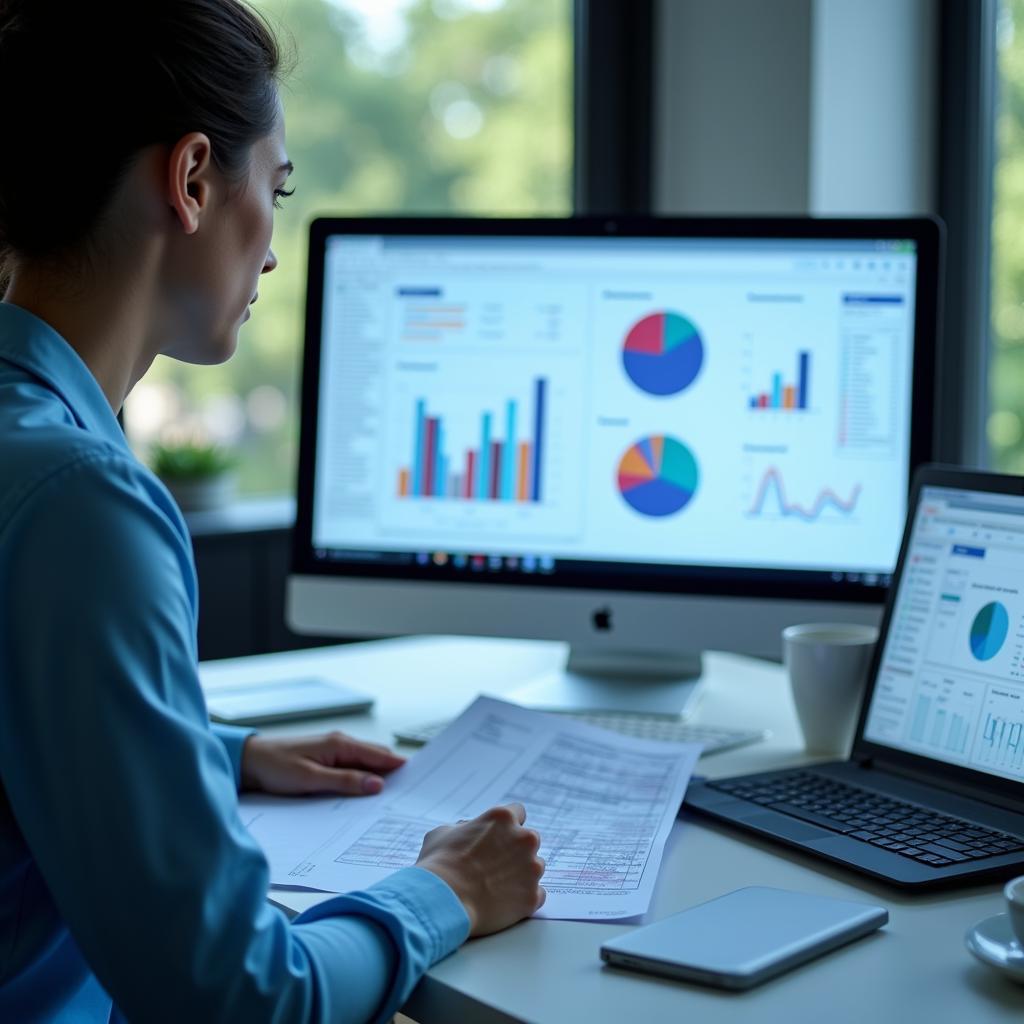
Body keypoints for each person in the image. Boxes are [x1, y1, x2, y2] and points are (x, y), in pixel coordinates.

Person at [0, 1, 546, 1021]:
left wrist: (222, 752)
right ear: (194, 177)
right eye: (278, 190)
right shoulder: (82, 504)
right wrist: (448, 892)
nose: (272, 255)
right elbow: (240, 998)